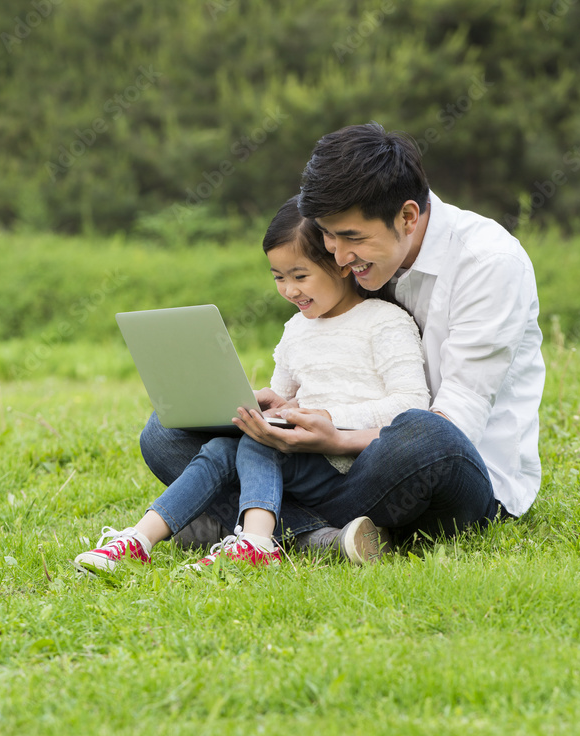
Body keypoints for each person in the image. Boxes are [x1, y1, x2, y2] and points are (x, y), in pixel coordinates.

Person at [215, 122, 546, 546]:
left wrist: (335, 435)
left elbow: (457, 425)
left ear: (407, 216)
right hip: (340, 466)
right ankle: (326, 534)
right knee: (166, 435)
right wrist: (291, 409)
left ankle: (255, 515)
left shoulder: (489, 264)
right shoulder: (365, 260)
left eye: (351, 237)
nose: (337, 255)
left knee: (423, 435)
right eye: (328, 235)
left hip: (452, 471)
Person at [73, 195, 429, 574]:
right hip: (301, 456)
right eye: (279, 278)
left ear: (340, 265)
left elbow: (411, 410)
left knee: (259, 439)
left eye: (300, 276)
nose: (290, 290)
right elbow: (286, 400)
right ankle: (138, 540)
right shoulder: (296, 330)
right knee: (228, 445)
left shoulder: (384, 321)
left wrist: (321, 415)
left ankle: (256, 542)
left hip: (351, 464)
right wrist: (271, 404)